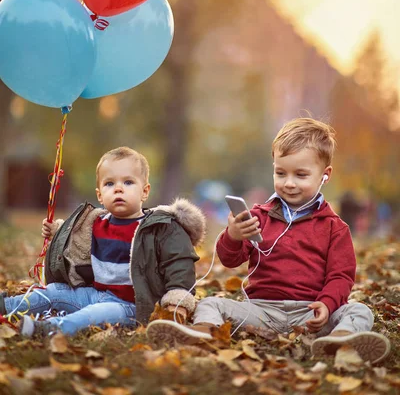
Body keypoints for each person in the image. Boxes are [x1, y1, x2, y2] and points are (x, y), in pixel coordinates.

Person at [147, 118, 391, 364]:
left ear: (324, 176)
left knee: (358, 310)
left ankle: (339, 341)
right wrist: (233, 235)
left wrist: (327, 305)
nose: (289, 183)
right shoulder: (258, 217)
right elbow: (230, 260)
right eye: (280, 173)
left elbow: (341, 276)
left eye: (301, 175)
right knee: (211, 303)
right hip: (261, 310)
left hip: (310, 315)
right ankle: (203, 336)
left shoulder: (334, 228)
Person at [0, 147, 206, 337]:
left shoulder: (158, 228)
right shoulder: (95, 222)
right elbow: (75, 235)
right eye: (109, 183)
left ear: (145, 191)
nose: (118, 189)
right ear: (100, 195)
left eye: (128, 182)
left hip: (131, 306)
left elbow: (179, 265)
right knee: (53, 292)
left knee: (94, 313)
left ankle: (53, 329)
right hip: (95, 294)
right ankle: (8, 306)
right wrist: (57, 231)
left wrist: (176, 301)